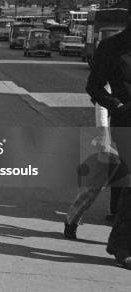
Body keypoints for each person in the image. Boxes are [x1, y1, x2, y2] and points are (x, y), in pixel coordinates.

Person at [86, 16, 131, 269]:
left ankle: (118, 241)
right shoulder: (111, 47)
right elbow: (93, 87)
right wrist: (118, 106)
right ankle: (122, 244)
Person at [63, 95, 123, 240]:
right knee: (95, 185)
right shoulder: (115, 73)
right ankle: (72, 218)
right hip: (112, 137)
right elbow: (101, 104)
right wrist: (103, 134)